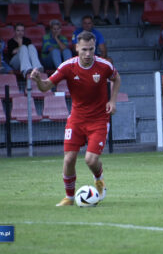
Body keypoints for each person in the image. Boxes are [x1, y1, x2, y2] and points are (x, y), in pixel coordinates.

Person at [30, 30, 121, 206]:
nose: (88, 54)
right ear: (76, 47)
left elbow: (116, 79)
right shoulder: (67, 67)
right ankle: (69, 197)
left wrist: (113, 100)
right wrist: (38, 81)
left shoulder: (104, 66)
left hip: (99, 119)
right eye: (84, 49)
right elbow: (45, 87)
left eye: (91, 49)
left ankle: (99, 180)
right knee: (69, 158)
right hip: (77, 119)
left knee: (90, 159)